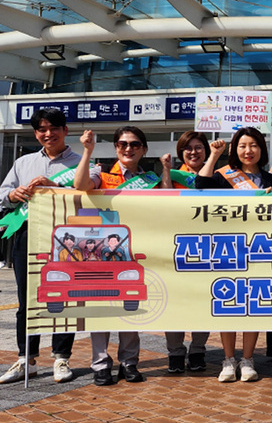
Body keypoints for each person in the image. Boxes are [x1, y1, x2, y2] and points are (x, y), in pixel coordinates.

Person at [74, 125, 167, 386]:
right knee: (100, 309)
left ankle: (129, 362)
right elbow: (79, 185)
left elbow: (166, 206)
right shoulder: (101, 172)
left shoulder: (151, 179)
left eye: (135, 144)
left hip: (133, 253)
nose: (129, 148)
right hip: (100, 254)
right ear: (116, 148)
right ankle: (101, 365)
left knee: (130, 308)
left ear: (144, 149)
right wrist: (87, 151)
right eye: (123, 144)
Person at [0, 108, 79, 385]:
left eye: (54, 128)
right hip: (27, 234)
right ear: (36, 133)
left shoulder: (82, 163)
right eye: (42, 129)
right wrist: (13, 194)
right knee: (27, 299)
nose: (48, 133)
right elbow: (4, 193)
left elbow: (87, 196)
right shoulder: (23, 162)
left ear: (65, 130)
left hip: (66, 238)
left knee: (62, 296)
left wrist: (54, 185)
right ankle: (25, 359)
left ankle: (61, 357)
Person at [196, 126, 272, 382]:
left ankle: (247, 360)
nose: (248, 151)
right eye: (243, 146)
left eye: (253, 145)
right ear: (235, 149)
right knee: (228, 304)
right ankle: (228, 360)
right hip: (228, 247)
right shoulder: (224, 176)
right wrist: (214, 155)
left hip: (259, 249)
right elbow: (200, 185)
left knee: (252, 305)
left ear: (261, 149)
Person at [163, 131, 211, 374]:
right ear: (181, 152)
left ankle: (198, 349)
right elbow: (162, 202)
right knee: (176, 301)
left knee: (204, 299)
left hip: (207, 247)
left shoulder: (216, 175)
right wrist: (165, 171)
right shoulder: (171, 174)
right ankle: (175, 352)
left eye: (199, 147)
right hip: (177, 247)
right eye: (188, 148)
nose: (194, 152)